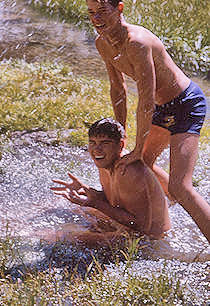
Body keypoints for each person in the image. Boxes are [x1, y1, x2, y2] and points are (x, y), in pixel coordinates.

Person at [86, 0, 209, 242]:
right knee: (143, 163)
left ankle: (182, 200)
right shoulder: (102, 43)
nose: (96, 19)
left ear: (119, 8)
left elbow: (145, 101)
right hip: (163, 108)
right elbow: (117, 88)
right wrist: (118, 136)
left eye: (102, 11)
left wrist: (137, 147)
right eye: (91, 13)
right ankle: (177, 208)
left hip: (186, 104)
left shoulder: (137, 43)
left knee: (180, 186)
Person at [51, 118, 171, 241]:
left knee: (67, 239)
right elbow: (117, 201)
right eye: (92, 142)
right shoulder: (105, 161)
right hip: (127, 228)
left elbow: (141, 227)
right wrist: (88, 191)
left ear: (121, 145)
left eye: (105, 143)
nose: (97, 149)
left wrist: (94, 203)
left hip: (151, 240)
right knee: (62, 208)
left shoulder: (130, 171)